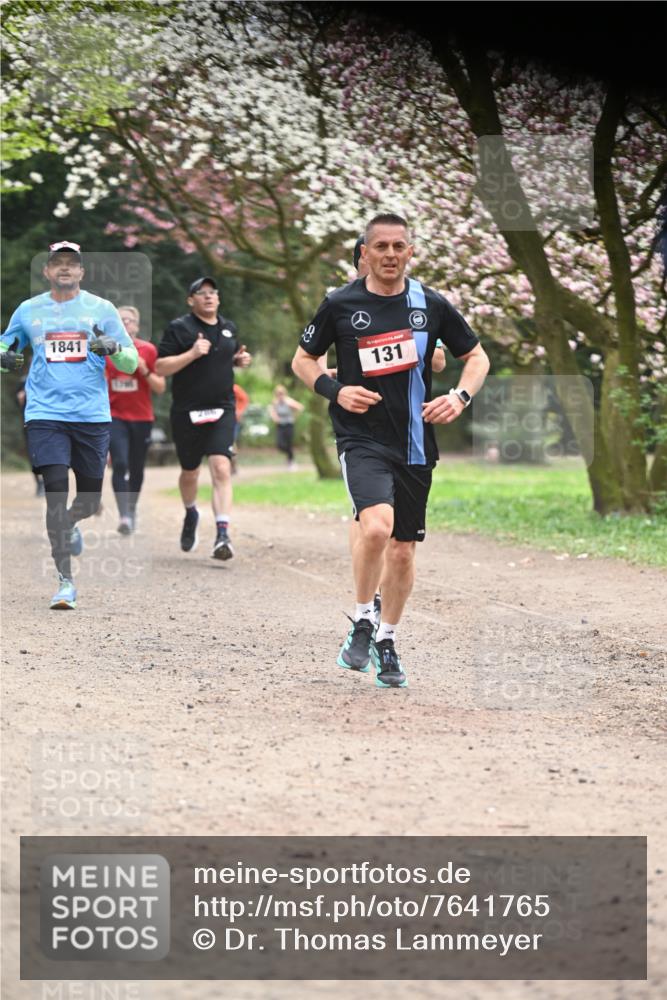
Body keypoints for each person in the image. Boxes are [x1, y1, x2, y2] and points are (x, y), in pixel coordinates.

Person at [292, 213, 490, 688]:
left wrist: (458, 397)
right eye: (380, 246)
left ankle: (387, 638)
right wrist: (334, 390)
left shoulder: (430, 304)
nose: (389, 254)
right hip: (360, 436)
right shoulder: (340, 303)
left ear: (410, 252)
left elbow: (475, 357)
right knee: (376, 527)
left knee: (402, 551)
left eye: (398, 246)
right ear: (366, 252)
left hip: (416, 441)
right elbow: (302, 359)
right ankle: (362, 619)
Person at [0, 240, 138, 610]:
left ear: (81, 271)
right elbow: (4, 349)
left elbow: (131, 363)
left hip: (91, 416)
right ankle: (65, 582)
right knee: (55, 492)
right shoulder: (29, 311)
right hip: (44, 414)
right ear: (46, 271)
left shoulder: (102, 309)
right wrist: (5, 358)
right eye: (57, 263)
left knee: (89, 500)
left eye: (71, 263)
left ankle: (74, 523)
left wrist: (113, 349)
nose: (64, 268)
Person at [155, 277, 251, 560]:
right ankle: (190, 513)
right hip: (187, 411)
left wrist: (238, 361)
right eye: (202, 293)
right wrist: (192, 353)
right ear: (191, 300)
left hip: (222, 408)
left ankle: (223, 534)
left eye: (213, 293)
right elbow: (160, 367)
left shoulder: (228, 328)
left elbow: (225, 359)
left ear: (218, 299)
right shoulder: (179, 328)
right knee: (190, 472)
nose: (208, 297)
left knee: (221, 467)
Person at [105, 305, 166, 534]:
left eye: (129, 320)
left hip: (141, 417)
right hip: (114, 416)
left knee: (137, 467)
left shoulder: (148, 350)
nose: (125, 323)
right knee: (120, 463)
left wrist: (144, 371)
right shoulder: (107, 351)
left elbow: (160, 387)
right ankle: (124, 516)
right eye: (120, 320)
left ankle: (132, 508)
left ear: (137, 326)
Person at [15, 375, 45, 496]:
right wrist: (20, 399)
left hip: (47, 422)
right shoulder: (24, 381)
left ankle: (47, 482)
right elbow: (17, 402)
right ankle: (39, 483)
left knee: (46, 453)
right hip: (29, 423)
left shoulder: (48, 379)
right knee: (33, 454)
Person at [269, 384, 304, 469]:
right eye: (278, 394)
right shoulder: (275, 402)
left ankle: (291, 461)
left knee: (288, 444)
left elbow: (300, 407)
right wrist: (275, 418)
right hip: (280, 425)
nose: (280, 395)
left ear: (284, 393)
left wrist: (294, 416)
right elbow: (272, 412)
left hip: (289, 425)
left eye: (281, 393)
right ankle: (289, 457)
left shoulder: (288, 401)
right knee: (280, 444)